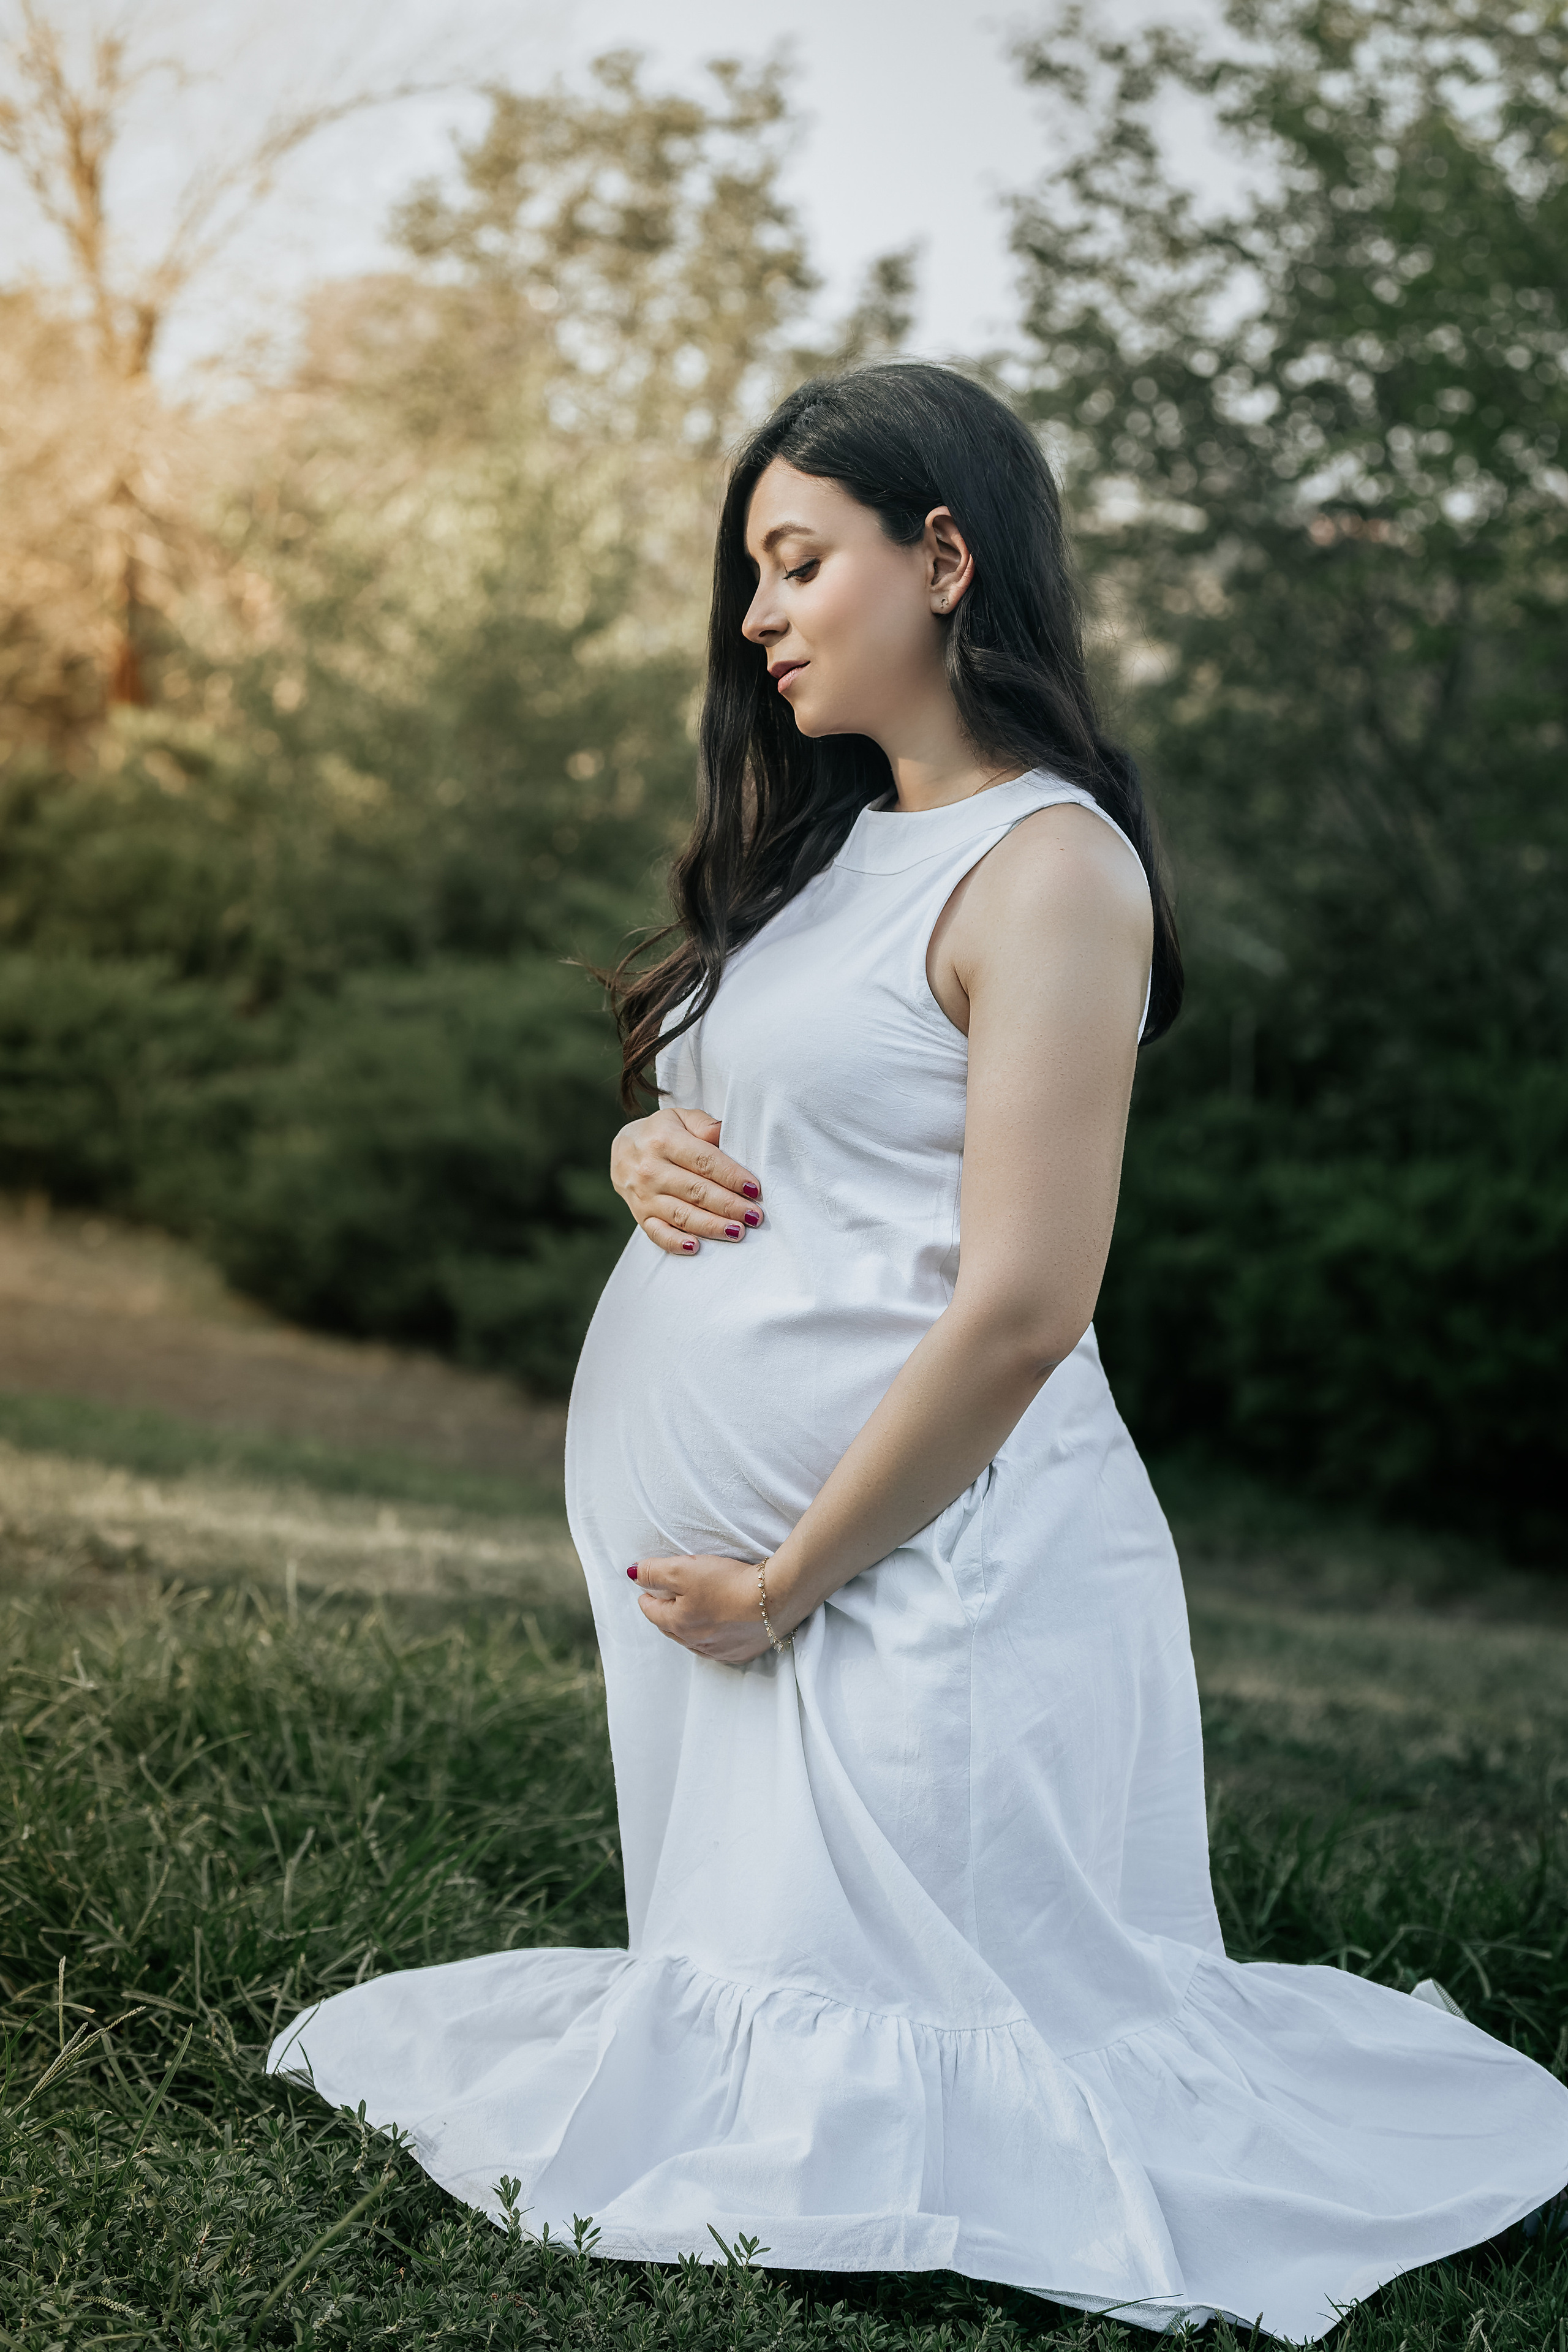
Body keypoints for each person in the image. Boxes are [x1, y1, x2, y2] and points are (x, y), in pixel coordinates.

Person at [270, 364, 1568, 2342]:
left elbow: (1032, 1302)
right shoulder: (834, 846)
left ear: (944, 556)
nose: (758, 615)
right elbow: (786, 1120)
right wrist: (644, 1143)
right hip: (767, 1606)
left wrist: (794, 1578)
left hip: (921, 1586)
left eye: (799, 562)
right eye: (751, 575)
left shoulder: (1050, 867)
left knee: (922, 2082)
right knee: (759, 2027)